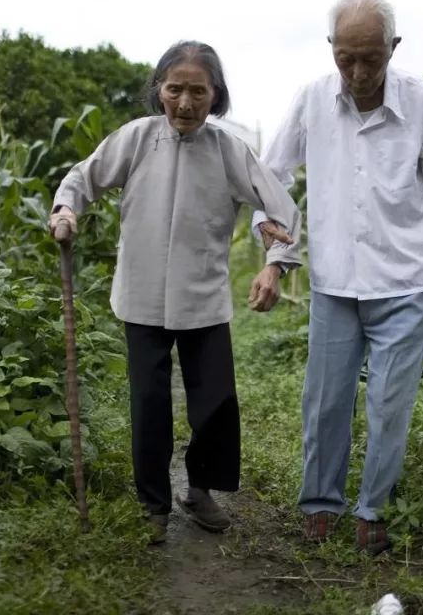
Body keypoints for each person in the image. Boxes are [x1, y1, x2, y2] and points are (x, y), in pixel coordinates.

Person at [248, 0, 423, 555]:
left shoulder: (421, 101)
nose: (357, 73)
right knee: (325, 402)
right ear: (332, 50)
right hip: (334, 284)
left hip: (405, 281)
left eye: (370, 59)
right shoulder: (312, 100)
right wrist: (275, 251)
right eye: (345, 58)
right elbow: (272, 177)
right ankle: (321, 504)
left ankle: (373, 509)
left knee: (388, 404)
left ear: (393, 50)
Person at [49, 41, 301, 544]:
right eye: (175, 89)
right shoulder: (137, 139)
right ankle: (153, 505)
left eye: (198, 92)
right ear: (159, 91)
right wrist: (66, 209)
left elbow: (281, 209)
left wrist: (274, 263)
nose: (185, 102)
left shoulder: (230, 150)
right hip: (140, 296)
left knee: (215, 402)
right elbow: (84, 178)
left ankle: (199, 490)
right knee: (148, 402)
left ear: (216, 96)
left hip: (202, 297)